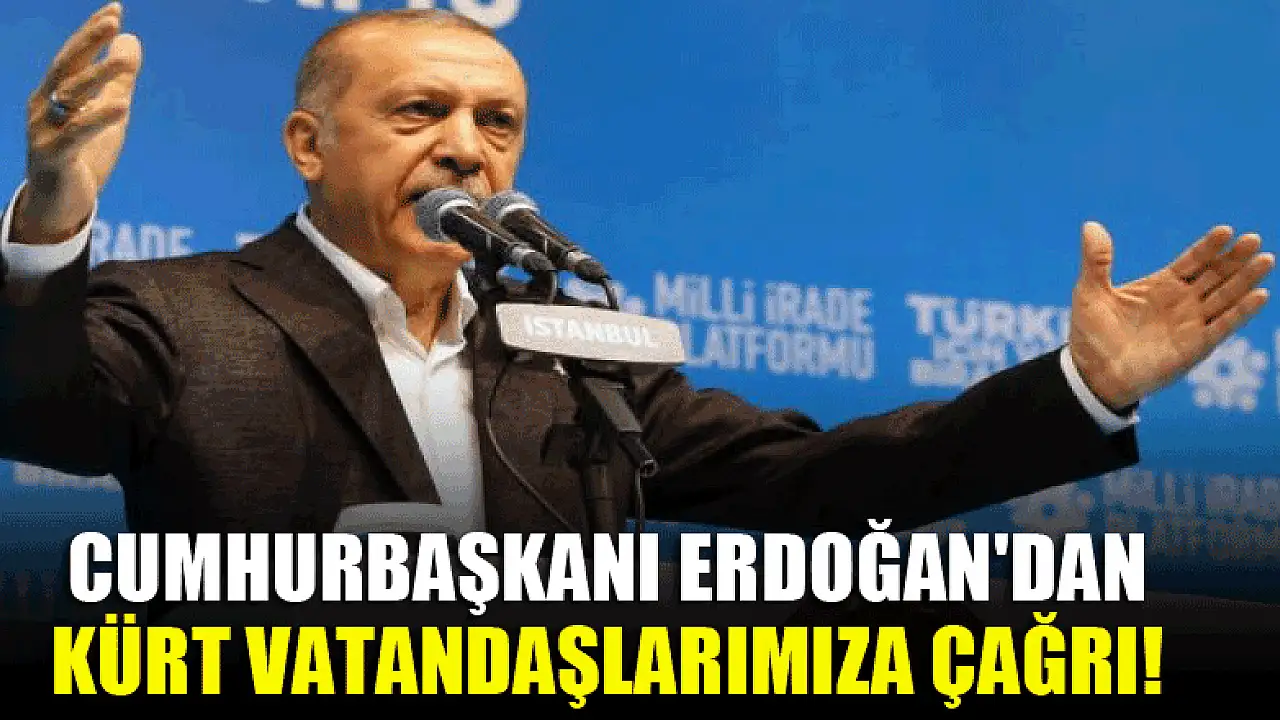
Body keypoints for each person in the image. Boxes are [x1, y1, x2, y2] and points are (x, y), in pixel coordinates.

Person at [0, 3, 1273, 629]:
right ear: (307, 144)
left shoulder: (564, 349)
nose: (466, 149)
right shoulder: (179, 311)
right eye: (419, 113)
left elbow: (817, 483)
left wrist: (1082, 387)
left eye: (496, 123)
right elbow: (40, 410)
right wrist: (54, 212)